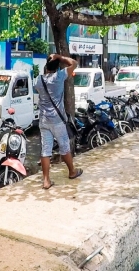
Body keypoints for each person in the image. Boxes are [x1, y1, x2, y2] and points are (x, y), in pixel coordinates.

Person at [34, 54, 82, 189]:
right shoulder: (59, 76)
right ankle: (72, 172)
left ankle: (46, 180)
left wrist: (50, 64)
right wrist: (60, 57)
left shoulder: (38, 80)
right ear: (57, 67)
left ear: (46, 66)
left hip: (43, 120)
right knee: (64, 146)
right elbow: (74, 63)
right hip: (57, 120)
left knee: (46, 150)